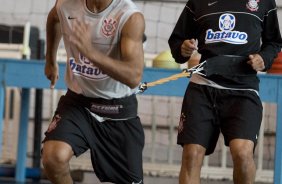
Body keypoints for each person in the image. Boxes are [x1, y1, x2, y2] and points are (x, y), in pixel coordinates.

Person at [168, 0, 282, 183]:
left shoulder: (264, 2)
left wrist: (263, 58)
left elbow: (274, 42)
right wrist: (183, 48)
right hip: (203, 86)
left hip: (243, 90)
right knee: (192, 154)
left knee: (243, 154)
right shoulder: (197, 2)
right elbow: (177, 41)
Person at [42, 0, 145, 183]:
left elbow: (133, 76)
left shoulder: (130, 16)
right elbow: (53, 18)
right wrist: (50, 59)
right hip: (78, 103)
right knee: (53, 158)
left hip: (117, 110)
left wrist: (90, 52)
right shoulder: (66, 4)